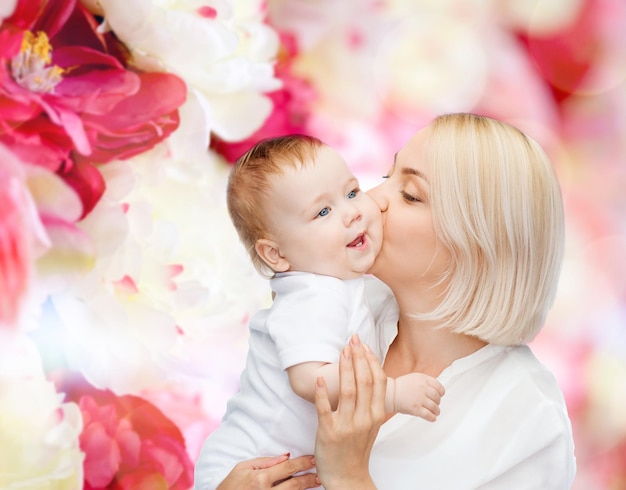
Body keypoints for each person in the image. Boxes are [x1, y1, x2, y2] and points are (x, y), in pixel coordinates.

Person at [215, 113, 577, 489]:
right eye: (387, 177)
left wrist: (349, 476)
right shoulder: (341, 305)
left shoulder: (528, 421)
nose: (372, 201)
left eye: (410, 194)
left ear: (479, 246)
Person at [194, 135, 446, 489]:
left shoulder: (346, 285)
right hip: (247, 466)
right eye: (323, 212)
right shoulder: (313, 294)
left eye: (353, 192)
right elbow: (310, 379)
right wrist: (392, 394)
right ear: (276, 255)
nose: (353, 211)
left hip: (288, 466)